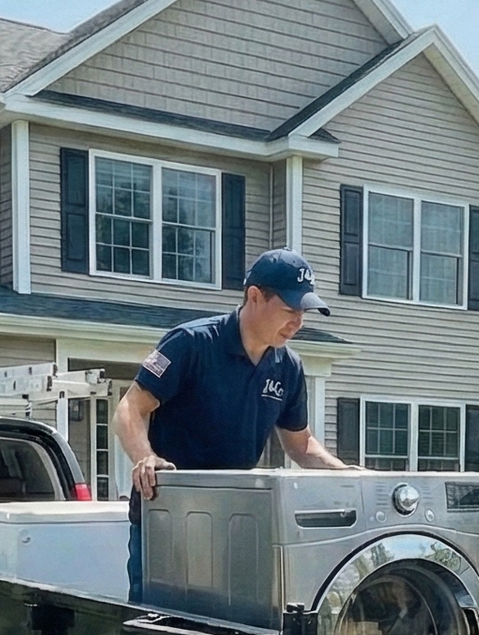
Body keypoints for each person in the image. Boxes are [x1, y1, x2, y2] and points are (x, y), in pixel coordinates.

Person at [113, 247, 353, 598]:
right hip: (167, 518)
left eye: (303, 312)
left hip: (236, 524)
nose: (298, 322)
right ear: (255, 297)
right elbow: (131, 407)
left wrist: (347, 475)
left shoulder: (288, 367)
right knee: (160, 634)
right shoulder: (192, 343)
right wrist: (144, 457)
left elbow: (301, 446)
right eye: (289, 310)